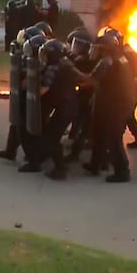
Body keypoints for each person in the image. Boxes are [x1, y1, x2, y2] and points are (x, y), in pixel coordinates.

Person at [72, 27, 137, 183]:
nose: (96, 51)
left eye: (99, 48)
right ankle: (96, 164)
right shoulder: (120, 57)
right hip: (113, 100)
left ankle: (122, 171)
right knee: (98, 132)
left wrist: (73, 73)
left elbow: (92, 80)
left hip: (114, 103)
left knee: (112, 137)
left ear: (106, 49)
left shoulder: (107, 61)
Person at [0, 26, 46, 162]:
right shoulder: (26, 57)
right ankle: (10, 151)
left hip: (33, 99)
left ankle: (34, 157)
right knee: (16, 124)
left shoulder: (39, 60)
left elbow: (32, 80)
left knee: (25, 127)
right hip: (24, 96)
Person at [38, 39, 78, 180]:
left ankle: (60, 169)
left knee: (52, 136)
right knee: (52, 134)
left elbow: (43, 89)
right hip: (71, 105)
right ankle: (54, 160)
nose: (45, 56)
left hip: (65, 107)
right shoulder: (67, 63)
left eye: (47, 53)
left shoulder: (53, 67)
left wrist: (30, 92)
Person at [65, 28, 96, 161]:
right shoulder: (80, 58)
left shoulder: (85, 61)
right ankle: (76, 138)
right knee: (80, 121)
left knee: (84, 123)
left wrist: (76, 85)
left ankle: (76, 152)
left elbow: (89, 80)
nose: (74, 47)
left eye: (77, 44)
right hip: (83, 95)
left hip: (88, 97)